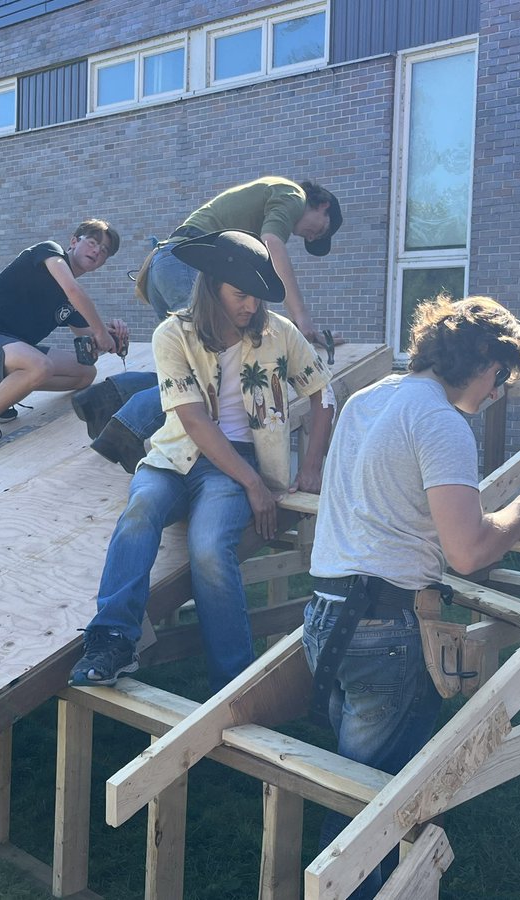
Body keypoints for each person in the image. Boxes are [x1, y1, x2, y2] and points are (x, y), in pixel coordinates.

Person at [302, 295, 520, 897]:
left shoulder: (371, 399)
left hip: (325, 616)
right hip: (385, 634)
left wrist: (513, 523)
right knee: (377, 813)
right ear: (481, 359)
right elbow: (467, 553)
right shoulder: (442, 423)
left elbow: (411, 509)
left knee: (351, 785)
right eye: (500, 375)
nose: (497, 391)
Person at [70, 230, 333, 692]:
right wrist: (254, 486)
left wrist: (311, 466)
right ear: (212, 286)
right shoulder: (173, 334)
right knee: (140, 511)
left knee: (209, 548)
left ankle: (234, 686)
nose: (251, 306)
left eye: (256, 296)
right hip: (175, 455)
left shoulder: (279, 334)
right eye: (241, 295)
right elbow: (192, 419)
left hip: (238, 461)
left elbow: (323, 394)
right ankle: (111, 640)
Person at [71, 177, 342, 473]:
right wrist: (302, 320)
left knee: (194, 367)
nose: (313, 238)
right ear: (324, 205)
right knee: (211, 368)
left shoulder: (270, 193)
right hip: (187, 266)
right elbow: (272, 243)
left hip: (165, 263)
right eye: (322, 230)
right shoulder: (293, 195)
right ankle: (126, 429)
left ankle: (112, 394)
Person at [0, 219, 128, 449]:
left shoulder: (68, 302)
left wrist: (112, 336)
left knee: (85, 374)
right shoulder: (49, 252)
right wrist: (100, 331)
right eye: (92, 242)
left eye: (104, 250)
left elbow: (88, 338)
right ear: (73, 242)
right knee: (41, 366)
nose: (97, 250)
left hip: (15, 349)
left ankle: (4, 386)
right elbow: (73, 289)